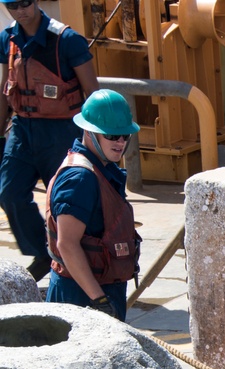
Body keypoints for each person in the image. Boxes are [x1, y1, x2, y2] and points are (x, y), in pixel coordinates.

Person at [0, 0, 100, 281]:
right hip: (22, 131)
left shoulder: (67, 40)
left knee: (65, 204)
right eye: (11, 5)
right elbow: (4, 86)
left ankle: (77, 266)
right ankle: (44, 253)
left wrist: (98, 143)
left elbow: (92, 91)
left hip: (62, 132)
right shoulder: (7, 39)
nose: (20, 10)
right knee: (9, 193)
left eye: (25, 3)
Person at [44, 89, 139, 320]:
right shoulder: (80, 178)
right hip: (79, 297)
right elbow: (66, 243)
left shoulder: (102, 169)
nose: (120, 142)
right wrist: (99, 300)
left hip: (99, 290)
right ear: (89, 131)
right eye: (110, 135)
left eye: (125, 135)